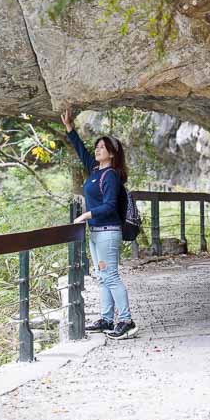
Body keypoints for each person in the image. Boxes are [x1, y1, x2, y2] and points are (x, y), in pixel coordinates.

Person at [61, 107, 137, 340]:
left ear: (112, 153)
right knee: (103, 277)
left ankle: (127, 321)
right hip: (96, 233)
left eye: (102, 147)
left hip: (107, 232)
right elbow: (82, 152)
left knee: (111, 276)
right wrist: (70, 129)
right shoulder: (95, 170)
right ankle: (106, 319)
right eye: (97, 147)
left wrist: (85, 215)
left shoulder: (111, 175)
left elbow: (110, 206)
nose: (97, 150)